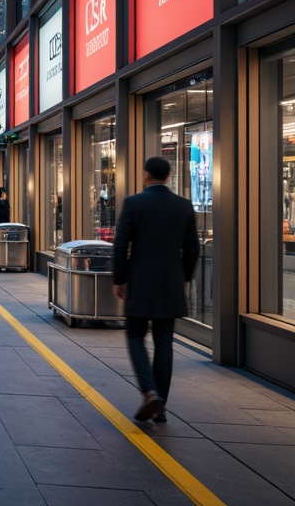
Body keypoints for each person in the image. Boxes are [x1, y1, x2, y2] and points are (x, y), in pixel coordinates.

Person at [113, 156, 199, 423]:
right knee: (164, 341)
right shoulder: (183, 206)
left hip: (140, 281)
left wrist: (119, 279)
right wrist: (182, 277)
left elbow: (120, 245)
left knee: (136, 336)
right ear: (168, 176)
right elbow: (193, 248)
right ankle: (160, 405)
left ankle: (149, 391)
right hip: (170, 282)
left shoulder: (134, 203)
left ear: (146, 175)